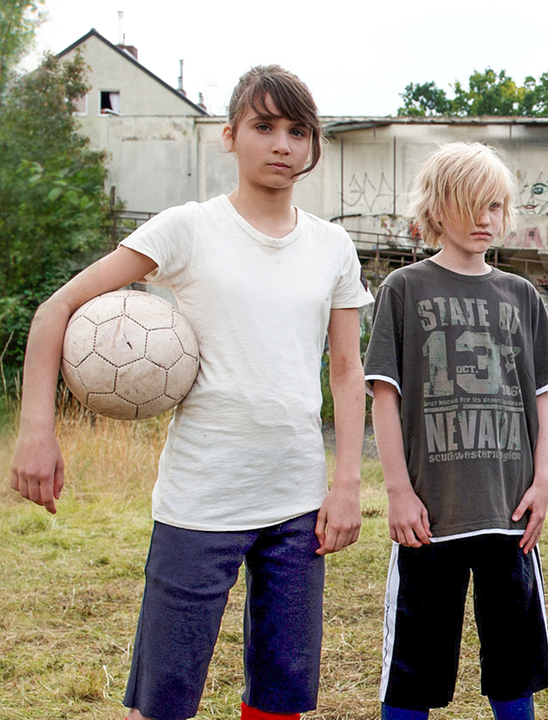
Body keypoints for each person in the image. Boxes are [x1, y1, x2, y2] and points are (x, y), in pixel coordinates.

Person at [8, 66, 371, 720]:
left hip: (296, 498)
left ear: (313, 145)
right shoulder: (187, 229)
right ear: (229, 137)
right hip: (201, 495)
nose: (283, 144)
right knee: (164, 698)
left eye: (298, 130)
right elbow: (54, 310)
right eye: (264, 127)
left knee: (282, 697)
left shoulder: (332, 246)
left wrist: (347, 484)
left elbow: (347, 371)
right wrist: (36, 431)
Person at [363, 142, 548, 720]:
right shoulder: (403, 289)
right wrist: (398, 491)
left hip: (508, 514)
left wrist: (543, 481)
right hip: (431, 518)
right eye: (472, 205)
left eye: (496, 206)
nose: (485, 219)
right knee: (413, 671)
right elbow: (384, 394)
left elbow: (540, 399)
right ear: (436, 208)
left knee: (514, 665)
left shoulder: (521, 295)